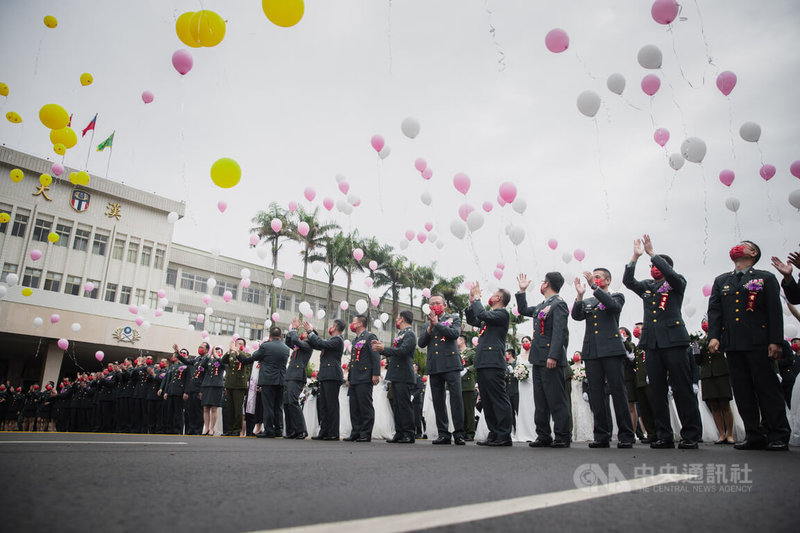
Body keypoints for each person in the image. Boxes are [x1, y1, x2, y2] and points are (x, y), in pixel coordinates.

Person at [707, 240, 790, 451]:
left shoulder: (765, 278)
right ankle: (754, 434)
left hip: (759, 343)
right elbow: (715, 312)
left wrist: (775, 341)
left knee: (767, 389)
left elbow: (774, 312)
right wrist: (714, 337)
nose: (737, 247)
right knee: (742, 391)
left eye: (743, 245)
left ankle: (778, 434)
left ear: (753, 253)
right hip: (733, 344)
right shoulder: (722, 281)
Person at [623, 234, 701, 449]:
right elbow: (628, 281)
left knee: (682, 389)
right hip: (652, 344)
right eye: (652, 266)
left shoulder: (677, 282)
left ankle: (691, 435)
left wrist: (653, 254)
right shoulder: (647, 286)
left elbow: (672, 277)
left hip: (675, 342)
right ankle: (663, 435)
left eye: (657, 266)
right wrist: (635, 257)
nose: (654, 268)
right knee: (656, 391)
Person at [572, 268, 635, 448]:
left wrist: (593, 286)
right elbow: (576, 316)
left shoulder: (617, 296)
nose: (595, 279)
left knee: (617, 391)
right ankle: (602, 434)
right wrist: (579, 296)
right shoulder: (589, 301)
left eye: (598, 277)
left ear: (607, 280)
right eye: (594, 277)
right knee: (596, 393)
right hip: (592, 351)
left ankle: (626, 435)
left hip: (611, 350)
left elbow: (613, 307)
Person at [517, 272, 571, 448]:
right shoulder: (542, 305)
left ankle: (562, 435)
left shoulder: (559, 304)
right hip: (538, 358)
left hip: (550, 358)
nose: (541, 285)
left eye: (542, 282)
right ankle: (543, 434)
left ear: (547, 284)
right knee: (540, 400)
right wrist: (522, 291)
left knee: (556, 399)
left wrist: (553, 355)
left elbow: (559, 332)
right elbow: (524, 310)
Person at [465, 282, 514, 447]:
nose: (490, 296)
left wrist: (478, 298)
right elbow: (473, 318)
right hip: (483, 362)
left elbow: (482, 314)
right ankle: (494, 433)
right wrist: (472, 302)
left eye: (493, 294)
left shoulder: (502, 314)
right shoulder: (489, 317)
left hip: (494, 363)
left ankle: (504, 434)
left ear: (498, 298)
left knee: (498, 398)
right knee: (487, 399)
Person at [418, 293, 466, 445]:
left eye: (437, 303)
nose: (434, 306)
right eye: (431, 304)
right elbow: (421, 343)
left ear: (444, 305)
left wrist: (437, 324)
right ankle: (443, 433)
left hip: (451, 364)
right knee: (438, 401)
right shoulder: (427, 324)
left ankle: (459, 433)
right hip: (435, 365)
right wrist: (430, 327)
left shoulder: (454, 318)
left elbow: (454, 334)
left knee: (456, 399)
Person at [373, 310, 417, 443]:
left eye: (398, 318)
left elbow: (403, 351)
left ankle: (409, 433)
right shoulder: (401, 334)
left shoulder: (410, 334)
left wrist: (384, 349)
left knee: (404, 405)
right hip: (397, 374)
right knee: (396, 405)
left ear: (402, 319)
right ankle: (400, 432)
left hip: (404, 374)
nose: (396, 320)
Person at [237, 326, 290, 438]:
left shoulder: (265, 346)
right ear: (280, 336)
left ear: (270, 336)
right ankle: (278, 430)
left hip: (268, 380)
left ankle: (269, 430)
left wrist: (238, 356)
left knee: (268, 406)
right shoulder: (286, 348)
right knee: (278, 407)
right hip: (281, 380)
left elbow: (252, 358)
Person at [694, 318, 735, 444]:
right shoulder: (700, 341)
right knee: (714, 406)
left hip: (720, 373)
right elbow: (698, 361)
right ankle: (721, 434)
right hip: (707, 375)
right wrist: (696, 351)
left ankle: (730, 433)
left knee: (725, 404)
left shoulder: (722, 337)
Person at [304, 318, 345, 440]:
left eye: (332, 325)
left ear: (336, 327)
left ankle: (333, 433)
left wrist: (311, 332)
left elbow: (321, 344)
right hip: (326, 374)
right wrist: (311, 333)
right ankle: (324, 431)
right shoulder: (332, 340)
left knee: (331, 405)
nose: (330, 327)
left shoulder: (338, 339)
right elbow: (317, 344)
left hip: (332, 375)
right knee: (323, 405)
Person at [344, 315, 380, 442]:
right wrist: (349, 377)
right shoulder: (355, 340)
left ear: (359, 323)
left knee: (365, 406)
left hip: (365, 376)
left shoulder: (370, 337)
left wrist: (376, 373)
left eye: (353, 322)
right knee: (354, 406)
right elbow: (353, 361)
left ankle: (365, 433)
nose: (352, 324)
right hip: (355, 377)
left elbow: (375, 356)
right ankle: (356, 431)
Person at [284, 318, 313, 439]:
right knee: (287, 403)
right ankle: (292, 430)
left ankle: (301, 430)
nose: (303, 333)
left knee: (293, 402)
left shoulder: (308, 345)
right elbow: (288, 342)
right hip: (290, 375)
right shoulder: (299, 345)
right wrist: (292, 329)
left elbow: (295, 339)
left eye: (306, 332)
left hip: (297, 376)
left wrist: (295, 328)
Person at [221, 338, 251, 437]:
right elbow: (223, 361)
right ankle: (229, 429)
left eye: (241, 344)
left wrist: (237, 351)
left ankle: (237, 429)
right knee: (230, 408)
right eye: (237, 343)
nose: (238, 345)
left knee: (238, 408)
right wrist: (229, 351)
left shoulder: (246, 355)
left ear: (244, 346)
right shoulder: (232, 354)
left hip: (239, 384)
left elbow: (245, 360)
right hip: (230, 383)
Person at [176, 344, 207, 435]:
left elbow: (205, 376)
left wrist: (202, 390)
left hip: (199, 388)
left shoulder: (207, 359)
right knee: (191, 410)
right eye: (199, 347)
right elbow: (187, 361)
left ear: (206, 350)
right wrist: (178, 354)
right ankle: (191, 429)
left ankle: (198, 430)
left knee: (198, 411)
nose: (199, 349)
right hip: (192, 388)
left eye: (202, 348)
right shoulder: (197, 359)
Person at [199, 346, 226, 435]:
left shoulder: (222, 361)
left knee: (214, 408)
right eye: (215, 351)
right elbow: (201, 366)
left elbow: (224, 365)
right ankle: (206, 427)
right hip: (207, 385)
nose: (216, 353)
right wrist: (208, 355)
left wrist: (217, 357)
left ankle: (212, 428)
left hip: (217, 386)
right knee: (205, 407)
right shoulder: (209, 361)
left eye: (218, 352)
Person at [458, 335, 477, 441]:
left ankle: (470, 432)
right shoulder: (455, 353)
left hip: (467, 384)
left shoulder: (470, 353)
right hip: (457, 384)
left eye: (457, 339)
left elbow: (476, 364)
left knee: (468, 410)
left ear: (462, 341)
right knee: (460, 410)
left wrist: (468, 369)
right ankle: (462, 431)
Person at [505, 349, 520, 430]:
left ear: (510, 354)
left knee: (518, 411)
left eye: (506, 354)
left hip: (516, 391)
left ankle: (520, 430)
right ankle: (513, 430)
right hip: (508, 391)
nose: (505, 356)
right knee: (510, 413)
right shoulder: (506, 365)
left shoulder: (517, 363)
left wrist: (513, 372)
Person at [411, 364, 426, 439]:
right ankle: (412, 431)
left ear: (416, 368)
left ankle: (419, 432)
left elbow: (420, 388)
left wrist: (413, 395)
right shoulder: (410, 376)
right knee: (411, 417)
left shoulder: (418, 377)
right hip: (410, 399)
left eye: (414, 366)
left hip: (416, 400)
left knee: (417, 417)